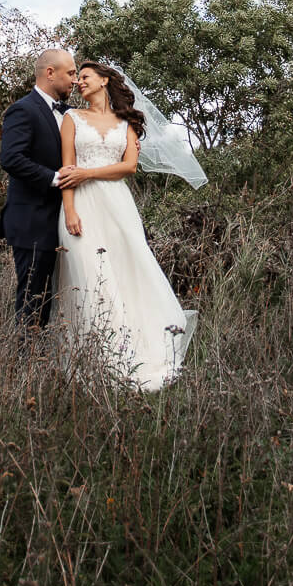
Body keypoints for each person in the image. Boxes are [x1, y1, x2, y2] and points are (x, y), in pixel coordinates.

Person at [53, 61, 197, 390]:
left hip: (118, 206)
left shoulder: (126, 122)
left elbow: (129, 166)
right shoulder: (71, 118)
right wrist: (70, 210)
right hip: (82, 208)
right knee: (89, 274)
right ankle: (95, 359)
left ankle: (137, 350)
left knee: (127, 270)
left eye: (85, 78)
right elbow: (67, 169)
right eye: (79, 80)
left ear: (104, 81)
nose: (80, 84)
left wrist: (88, 173)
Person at [0, 47, 77, 343]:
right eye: (70, 73)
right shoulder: (23, 109)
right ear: (50, 73)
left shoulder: (71, 114)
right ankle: (26, 368)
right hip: (33, 220)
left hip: (67, 220)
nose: (75, 80)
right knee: (34, 299)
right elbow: (11, 159)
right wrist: (55, 178)